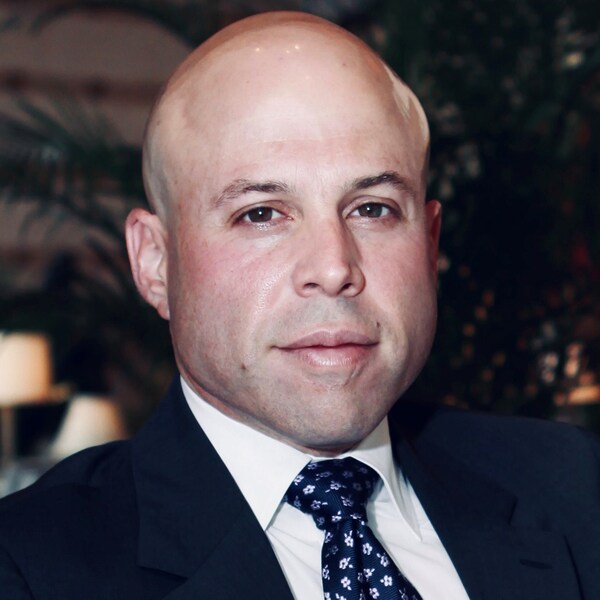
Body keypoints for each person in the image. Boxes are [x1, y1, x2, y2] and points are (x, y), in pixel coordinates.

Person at [0, 11, 599, 600]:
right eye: (261, 214)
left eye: (373, 208)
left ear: (430, 242)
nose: (334, 268)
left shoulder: (573, 486)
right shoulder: (30, 568)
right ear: (156, 263)